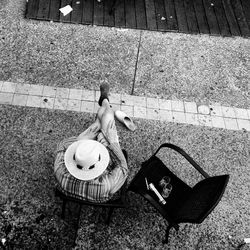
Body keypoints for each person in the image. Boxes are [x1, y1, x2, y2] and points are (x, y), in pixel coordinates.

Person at [54, 83, 128, 203]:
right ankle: (105, 103)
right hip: (100, 188)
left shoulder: (62, 175)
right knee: (106, 121)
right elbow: (123, 167)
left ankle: (103, 107)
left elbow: (61, 146)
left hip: (86, 157)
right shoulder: (105, 185)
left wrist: (81, 140)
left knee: (99, 124)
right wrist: (111, 144)